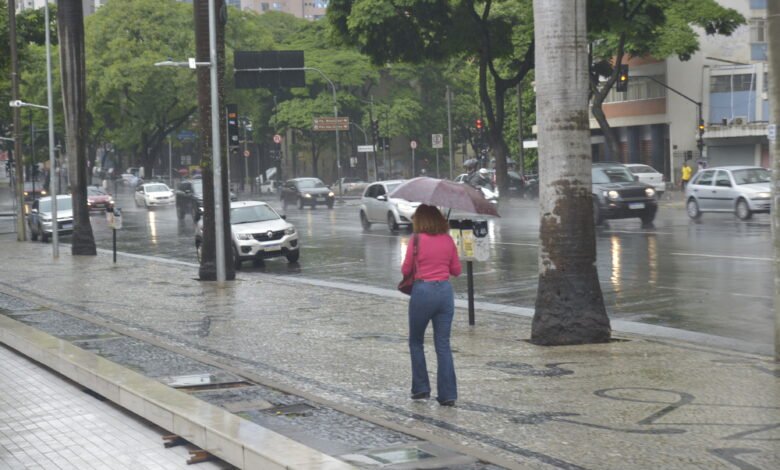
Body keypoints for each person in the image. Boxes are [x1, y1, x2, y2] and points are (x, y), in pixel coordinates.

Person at [401, 204, 462, 406]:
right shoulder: (448, 240)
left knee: (416, 341)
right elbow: (456, 270)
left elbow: (406, 269)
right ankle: (448, 395)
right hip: (445, 292)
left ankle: (421, 389)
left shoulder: (416, 239)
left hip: (423, 291)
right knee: (443, 344)